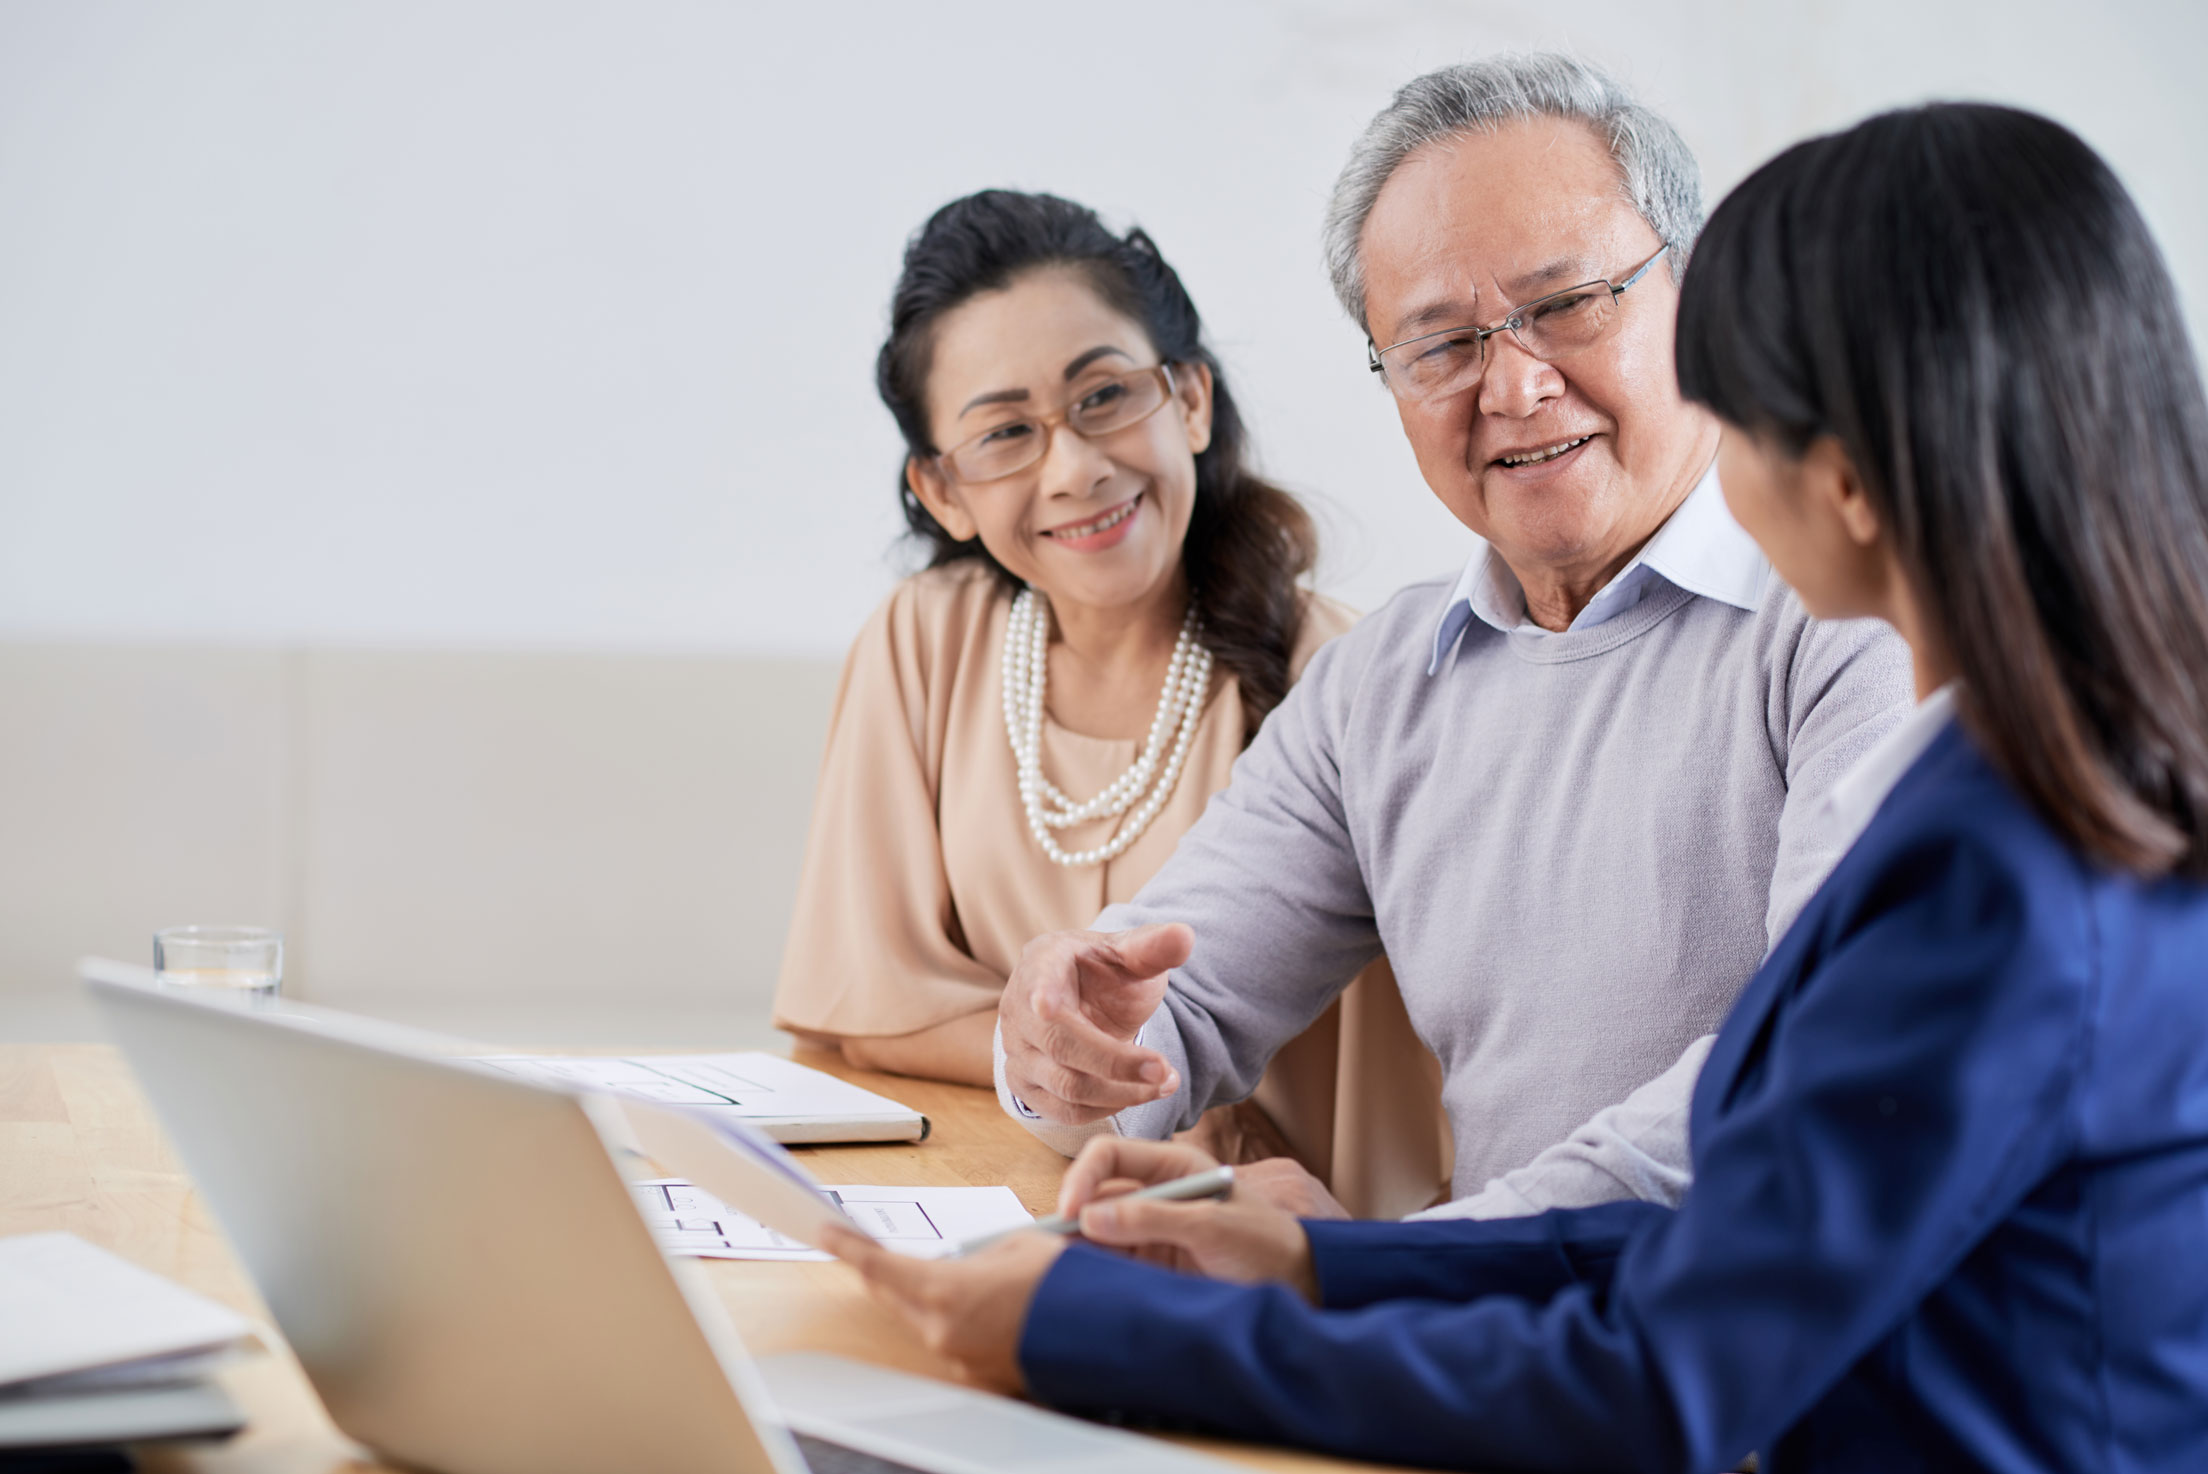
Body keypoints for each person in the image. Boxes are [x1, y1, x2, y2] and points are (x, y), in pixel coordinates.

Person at [829, 101, 2208, 1472]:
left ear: (1845, 470)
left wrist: (1112, 1329)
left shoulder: (1991, 849)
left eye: (1726, 381)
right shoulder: (2026, 792)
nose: (1519, 385)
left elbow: (1676, 1355)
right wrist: (1325, 1265)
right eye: (1440, 342)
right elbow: (1751, 1221)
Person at [992, 54, 1913, 1219]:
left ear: (1697, 292)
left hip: (1776, 1360)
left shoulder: (1858, 610)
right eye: (1440, 344)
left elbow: (1820, 1065)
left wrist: (1407, 1262)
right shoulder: (1385, 681)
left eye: (1570, 303)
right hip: (1490, 1363)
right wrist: (1062, 1039)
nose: (1516, 386)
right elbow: (1171, 1001)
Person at [771, 190, 1448, 1214]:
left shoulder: (1343, 679)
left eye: (1105, 397)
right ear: (944, 490)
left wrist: (1041, 1054)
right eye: (1005, 433)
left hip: (1278, 1240)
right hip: (994, 1196)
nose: (1076, 467)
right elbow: (862, 1010)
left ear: (1190, 402)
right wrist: (1094, 1076)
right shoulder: (928, 642)